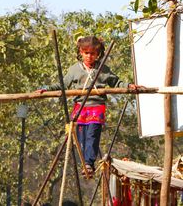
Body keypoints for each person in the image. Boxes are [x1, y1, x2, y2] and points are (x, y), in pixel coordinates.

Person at [36, 36, 138, 175]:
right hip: (80, 107)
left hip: (96, 106)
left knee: (92, 134)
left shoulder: (104, 69)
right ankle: (85, 164)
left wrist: (128, 86)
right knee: (81, 137)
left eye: (93, 53)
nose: (89, 56)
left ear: (98, 54)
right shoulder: (74, 70)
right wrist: (47, 89)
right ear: (81, 52)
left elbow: (116, 82)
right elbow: (62, 84)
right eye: (86, 53)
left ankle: (89, 163)